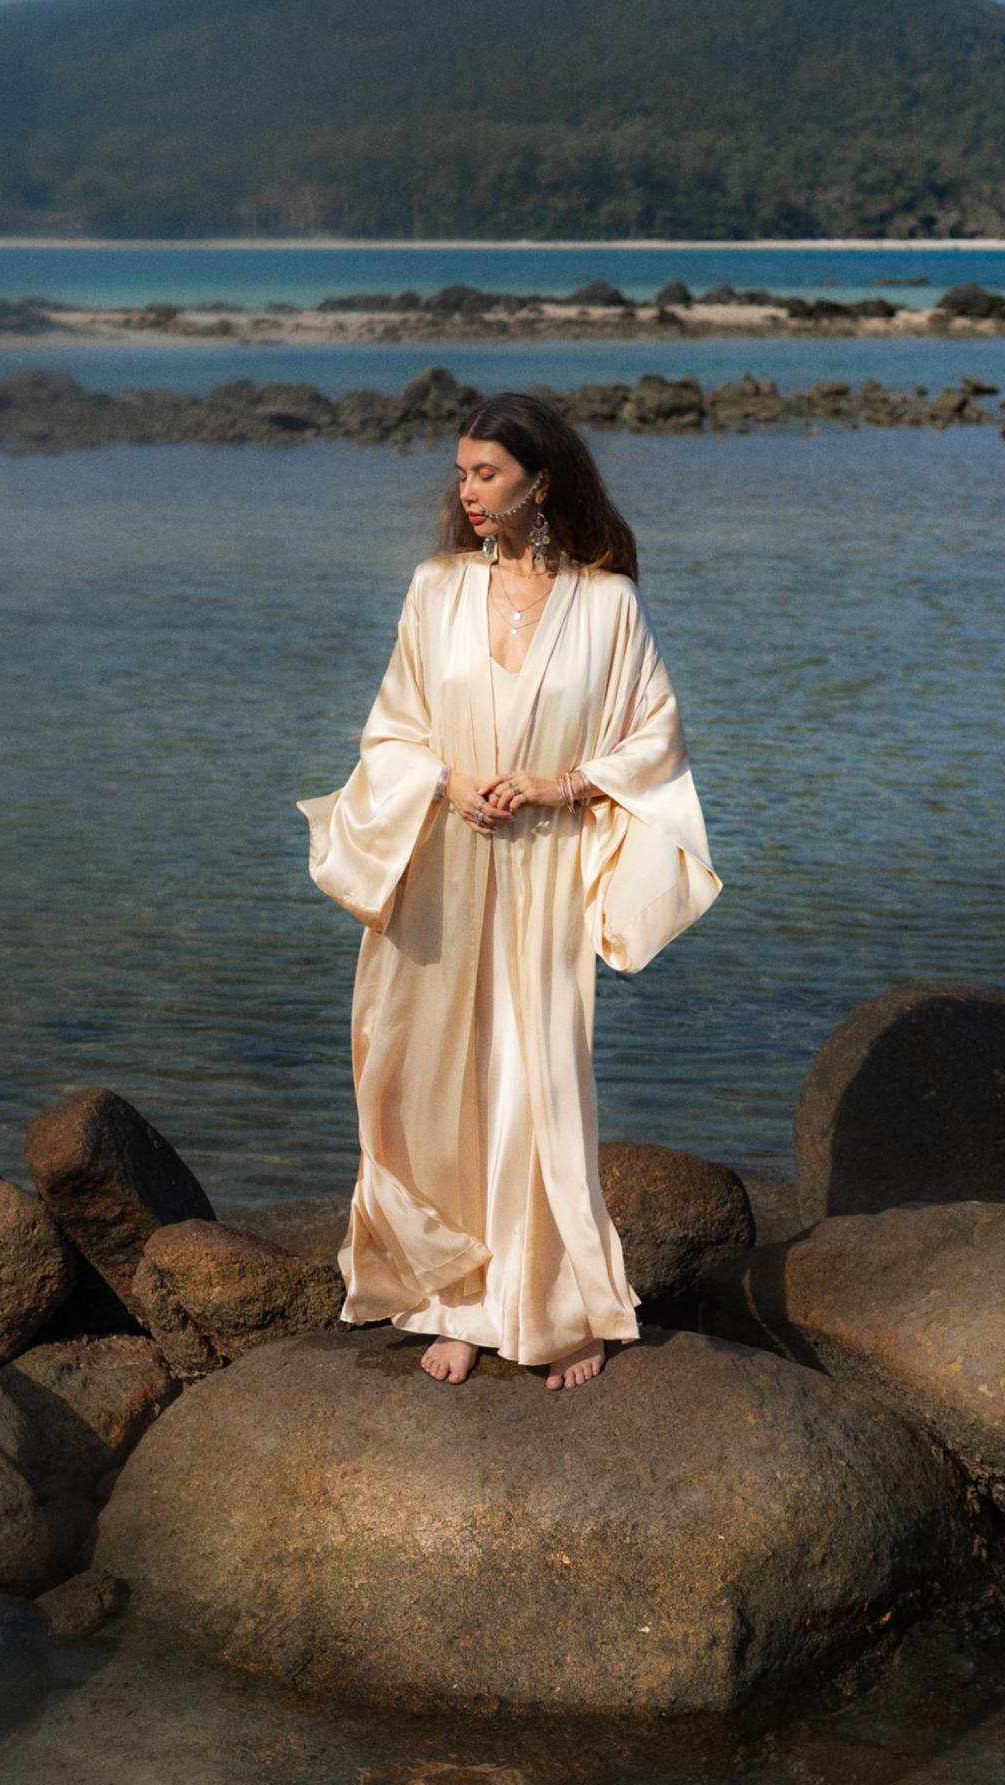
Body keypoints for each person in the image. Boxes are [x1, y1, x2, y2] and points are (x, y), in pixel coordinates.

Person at [295, 392, 723, 1392]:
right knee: (425, 1075)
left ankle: (550, 1303)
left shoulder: (608, 604)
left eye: (486, 473)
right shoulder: (434, 588)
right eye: (461, 473)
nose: (466, 491)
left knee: (537, 1076)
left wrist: (559, 785)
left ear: (542, 481)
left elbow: (652, 739)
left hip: (545, 868)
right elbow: (391, 732)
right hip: (438, 858)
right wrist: (445, 782)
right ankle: (453, 1297)